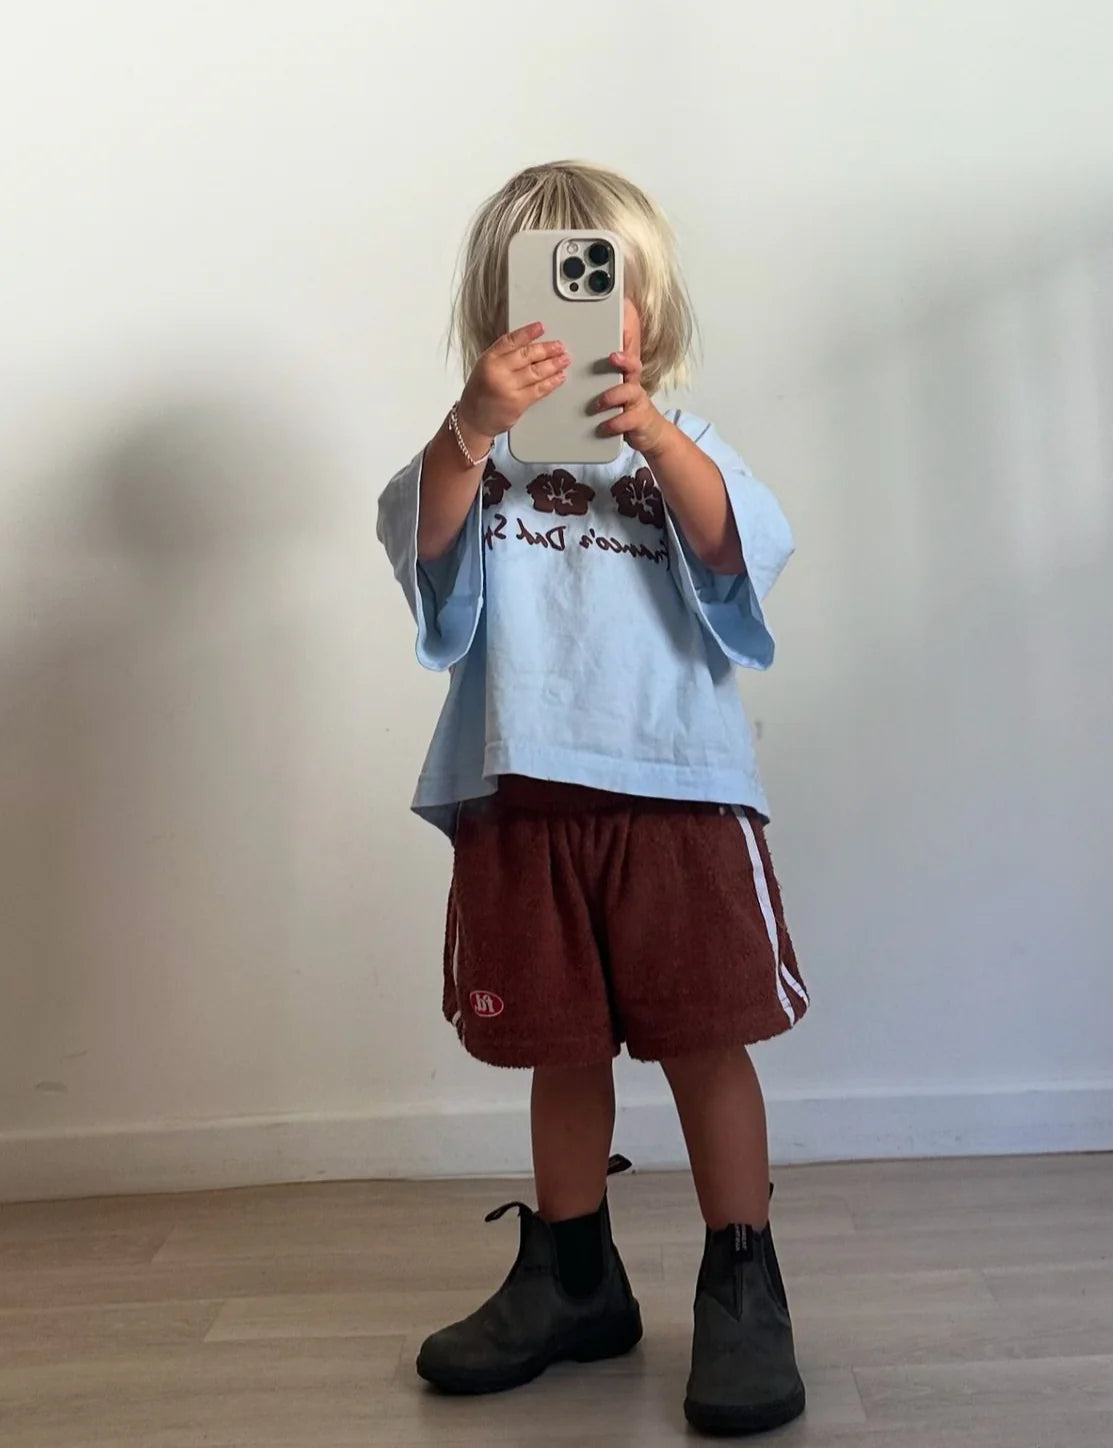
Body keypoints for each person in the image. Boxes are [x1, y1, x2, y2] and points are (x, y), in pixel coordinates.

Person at [377, 160, 809, 1437]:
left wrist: (658, 433)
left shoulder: (689, 445)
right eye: (541, 287)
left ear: (645, 308)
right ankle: (574, 1278)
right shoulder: (480, 458)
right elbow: (426, 542)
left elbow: (738, 548)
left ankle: (744, 1280)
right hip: (523, 794)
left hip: (674, 792)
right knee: (558, 1047)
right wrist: (470, 423)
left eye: (597, 282)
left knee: (704, 1036)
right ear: (493, 312)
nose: (569, 312)